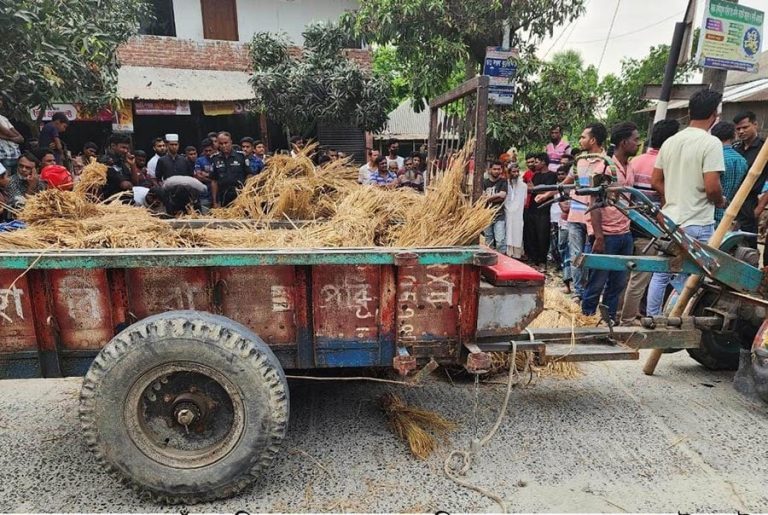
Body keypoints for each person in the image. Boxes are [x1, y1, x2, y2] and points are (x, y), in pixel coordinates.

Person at [647, 89, 727, 316]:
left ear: (690, 111)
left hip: (671, 219)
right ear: (714, 114)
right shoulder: (711, 143)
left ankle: (654, 317)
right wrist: (720, 201)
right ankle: (679, 318)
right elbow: (712, 186)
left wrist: (673, 196)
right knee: (693, 277)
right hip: (698, 221)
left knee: (662, 273)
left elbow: (655, 180)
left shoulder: (671, 142)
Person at [536, 123, 610, 302]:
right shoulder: (579, 162)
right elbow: (566, 183)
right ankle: (578, 292)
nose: (580, 140)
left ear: (593, 140)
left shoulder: (607, 163)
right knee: (576, 255)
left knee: (592, 257)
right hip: (576, 215)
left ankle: (590, 293)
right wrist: (547, 194)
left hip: (596, 219)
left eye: (583, 137)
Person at [619, 118, 679, 325]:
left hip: (630, 223)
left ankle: (620, 313)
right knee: (641, 276)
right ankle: (628, 318)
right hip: (651, 228)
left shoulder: (634, 162)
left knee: (626, 273)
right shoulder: (666, 165)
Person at [580, 122, 637, 321]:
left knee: (618, 283)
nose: (638, 143)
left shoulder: (630, 166)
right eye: (635, 140)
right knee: (596, 282)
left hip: (624, 233)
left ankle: (608, 321)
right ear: (623, 142)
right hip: (606, 235)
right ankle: (585, 320)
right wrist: (598, 236)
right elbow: (594, 203)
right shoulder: (604, 168)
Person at [734, 111, 768, 260]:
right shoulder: (735, 148)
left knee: (747, 248)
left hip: (750, 203)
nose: (741, 131)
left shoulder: (764, 150)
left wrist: (759, 208)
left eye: (745, 127)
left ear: (755, 125)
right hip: (731, 201)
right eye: (738, 129)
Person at [711, 121, 748, 225]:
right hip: (729, 213)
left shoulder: (714, 157)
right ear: (733, 136)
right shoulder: (742, 160)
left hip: (710, 213)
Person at [527, 153, 557, 267]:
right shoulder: (535, 175)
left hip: (544, 210)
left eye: (536, 162)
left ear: (543, 162)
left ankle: (542, 260)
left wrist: (535, 190)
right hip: (532, 209)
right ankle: (534, 259)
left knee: (543, 235)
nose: (534, 164)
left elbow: (548, 191)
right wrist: (534, 190)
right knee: (532, 234)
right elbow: (531, 189)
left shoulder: (552, 175)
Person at [211, 132, 249, 208]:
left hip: (240, 196)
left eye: (226, 143)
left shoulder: (241, 156)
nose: (224, 145)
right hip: (223, 197)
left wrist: (247, 194)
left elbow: (249, 175)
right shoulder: (214, 158)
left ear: (231, 142)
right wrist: (215, 201)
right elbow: (214, 181)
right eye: (221, 144)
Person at [483, 160, 508, 254]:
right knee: (488, 239)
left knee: (500, 240)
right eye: (494, 169)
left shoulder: (503, 182)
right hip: (486, 215)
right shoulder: (484, 182)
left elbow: (503, 195)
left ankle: (502, 261)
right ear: (489, 170)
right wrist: (496, 197)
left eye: (499, 169)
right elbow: (481, 198)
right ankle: (489, 262)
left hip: (499, 215)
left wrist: (487, 199)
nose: (497, 171)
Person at [504, 163, 526, 259]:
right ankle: (508, 253)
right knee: (507, 232)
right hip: (506, 211)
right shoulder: (505, 184)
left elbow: (523, 200)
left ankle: (517, 254)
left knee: (517, 232)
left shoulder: (523, 186)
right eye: (514, 172)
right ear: (509, 173)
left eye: (517, 171)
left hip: (518, 213)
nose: (516, 174)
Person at [0, 99, 23, 174]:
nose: (0, 101)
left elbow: (21, 139)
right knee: (5, 182)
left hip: (15, 155)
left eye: (1, 99)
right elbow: (7, 132)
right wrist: (15, 138)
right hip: (3, 156)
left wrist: (7, 137)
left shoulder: (3, 118)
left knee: (16, 182)